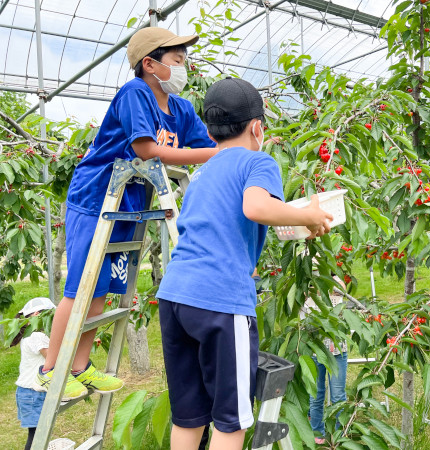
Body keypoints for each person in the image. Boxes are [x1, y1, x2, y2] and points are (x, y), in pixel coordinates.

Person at [36, 27, 220, 398]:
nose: (184, 69)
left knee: (102, 289)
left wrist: (238, 145)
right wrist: (219, 155)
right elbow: (146, 150)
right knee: (80, 288)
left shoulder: (181, 109)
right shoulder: (135, 93)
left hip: (129, 205)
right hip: (96, 200)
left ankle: (80, 366)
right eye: (178, 61)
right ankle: (50, 368)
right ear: (150, 64)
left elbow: (210, 144)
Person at [155, 77, 333, 450]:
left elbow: (217, 226)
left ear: (208, 129)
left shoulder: (203, 173)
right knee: (231, 419)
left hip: (174, 297)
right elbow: (255, 206)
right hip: (219, 301)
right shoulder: (258, 161)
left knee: (188, 415)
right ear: (257, 127)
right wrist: (310, 216)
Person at [302, 285, 348, 444]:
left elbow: (341, 289)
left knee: (338, 395)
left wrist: (326, 281)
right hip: (314, 351)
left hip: (337, 351)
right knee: (315, 394)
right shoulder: (306, 283)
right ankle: (317, 432)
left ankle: (339, 433)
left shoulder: (335, 281)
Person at [12, 297, 55, 450]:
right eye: (51, 315)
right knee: (37, 436)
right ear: (37, 315)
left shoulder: (29, 335)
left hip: (29, 392)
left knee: (38, 433)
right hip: (32, 393)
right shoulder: (37, 336)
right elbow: (53, 358)